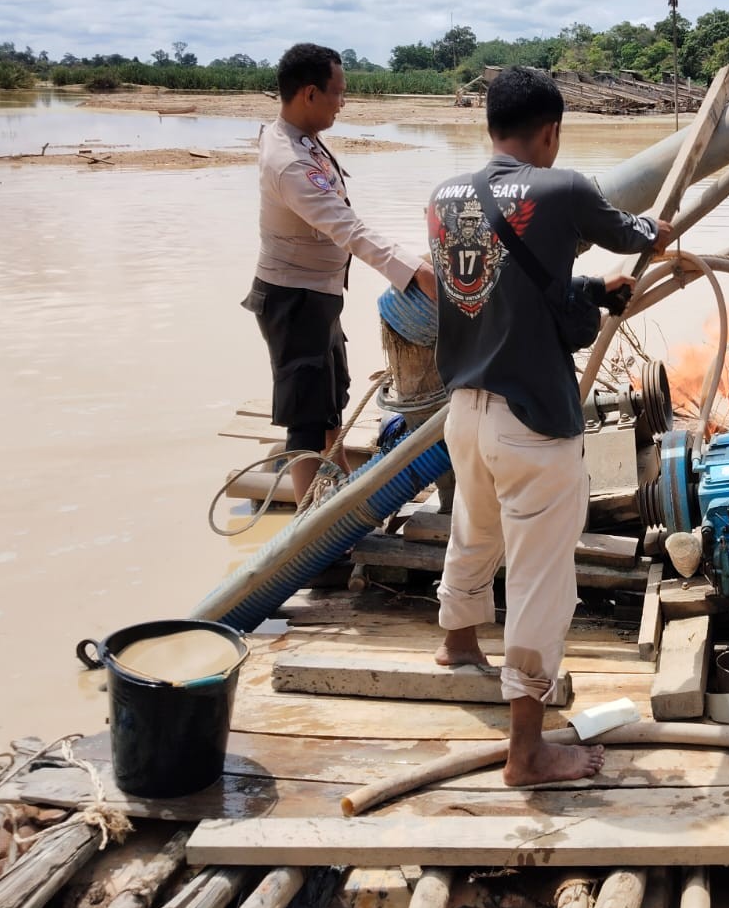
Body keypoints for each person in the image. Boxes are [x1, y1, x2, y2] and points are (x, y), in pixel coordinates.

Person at [428, 66, 673, 786]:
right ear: (552, 131)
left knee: (474, 530)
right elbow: (638, 232)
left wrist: (590, 289)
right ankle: (527, 751)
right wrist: (659, 231)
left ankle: (457, 643)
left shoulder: (443, 196)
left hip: (464, 413)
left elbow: (502, 286)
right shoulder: (563, 186)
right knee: (541, 580)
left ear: (490, 126)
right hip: (531, 424)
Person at [245, 43, 436, 506]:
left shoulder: (300, 138)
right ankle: (313, 524)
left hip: (318, 294)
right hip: (294, 299)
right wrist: (414, 271)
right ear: (310, 93)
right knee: (307, 419)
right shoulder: (290, 161)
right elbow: (346, 228)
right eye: (338, 92)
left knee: (331, 400)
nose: (343, 102)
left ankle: (345, 497)